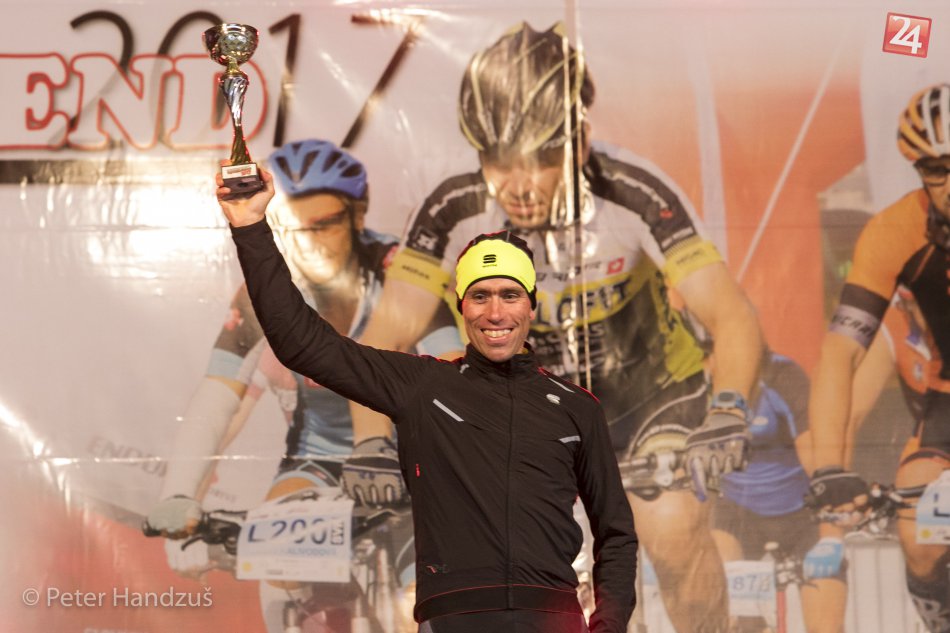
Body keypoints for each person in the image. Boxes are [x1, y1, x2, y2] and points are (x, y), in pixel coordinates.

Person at [348, 21, 764, 632]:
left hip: (651, 398)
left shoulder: (632, 190)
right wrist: (370, 444)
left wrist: (728, 409)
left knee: (673, 527)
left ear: (580, 140)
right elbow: (386, 338)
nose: (516, 184)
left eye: (541, 160)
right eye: (497, 160)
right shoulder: (453, 205)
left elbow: (731, 314)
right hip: (529, 407)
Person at [218, 152, 639, 632]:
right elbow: (302, 343)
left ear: (531, 306)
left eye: (510, 295)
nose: (495, 313)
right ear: (462, 307)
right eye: (480, 296)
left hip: (551, 619)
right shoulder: (422, 386)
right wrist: (250, 227)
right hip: (450, 620)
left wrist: (608, 626)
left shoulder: (576, 408)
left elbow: (616, 534)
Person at [145, 139, 460, 631]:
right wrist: (180, 497)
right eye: (290, 226)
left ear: (357, 217)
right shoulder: (263, 289)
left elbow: (457, 384)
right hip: (317, 462)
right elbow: (216, 400)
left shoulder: (401, 275)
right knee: (279, 568)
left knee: (432, 597)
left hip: (407, 460)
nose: (307, 243)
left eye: (323, 225)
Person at [808, 84, 950, 633]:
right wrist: (830, 470)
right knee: (920, 534)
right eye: (937, 170)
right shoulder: (894, 232)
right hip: (945, 404)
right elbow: (840, 354)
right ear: (918, 170)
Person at [711, 352, 846, 633]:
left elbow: (820, 468)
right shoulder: (698, 381)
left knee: (826, 627)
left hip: (802, 514)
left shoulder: (784, 377)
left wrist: (832, 538)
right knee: (733, 622)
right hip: (737, 516)